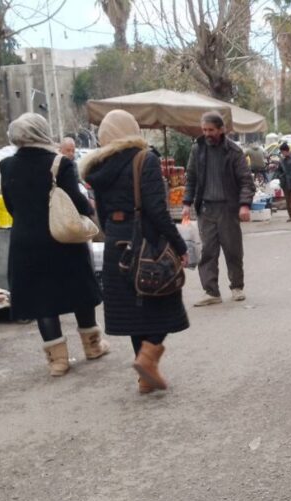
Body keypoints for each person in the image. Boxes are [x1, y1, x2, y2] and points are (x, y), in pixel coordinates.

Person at [81, 110, 190, 394]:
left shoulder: (99, 166)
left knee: (132, 308)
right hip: (145, 238)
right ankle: (148, 357)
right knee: (167, 297)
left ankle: (145, 377)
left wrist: (115, 230)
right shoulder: (145, 159)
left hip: (116, 240)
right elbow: (157, 210)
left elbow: (101, 212)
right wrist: (179, 246)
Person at [0, 113, 107, 377]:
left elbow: (9, 205)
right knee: (79, 291)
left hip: (26, 242)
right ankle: (92, 347)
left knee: (41, 300)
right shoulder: (60, 163)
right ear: (42, 132)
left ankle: (57, 361)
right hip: (63, 241)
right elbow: (78, 202)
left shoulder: (7, 166)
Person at [182, 111, 255, 307]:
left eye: (211, 130)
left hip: (228, 209)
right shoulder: (197, 150)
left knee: (233, 250)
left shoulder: (233, 152)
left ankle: (237, 286)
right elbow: (191, 178)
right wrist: (186, 204)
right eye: (204, 129)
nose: (207, 133)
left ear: (221, 130)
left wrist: (244, 205)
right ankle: (211, 291)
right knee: (207, 252)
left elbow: (246, 181)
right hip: (206, 209)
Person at [273, 142, 291, 223]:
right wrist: (280, 176)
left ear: (286, 151)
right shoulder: (282, 160)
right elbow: (278, 171)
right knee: (288, 200)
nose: (282, 154)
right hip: (285, 182)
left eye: (282, 152)